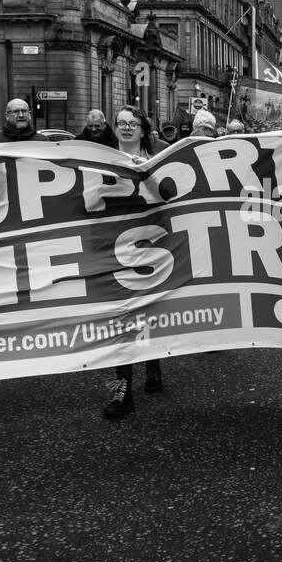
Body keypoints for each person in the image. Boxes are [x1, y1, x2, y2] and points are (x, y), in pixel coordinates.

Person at [104, 105, 164, 419]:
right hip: (113, 249)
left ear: (143, 130)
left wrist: (149, 174)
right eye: (121, 123)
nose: (126, 128)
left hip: (151, 247)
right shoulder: (100, 159)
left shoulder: (158, 158)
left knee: (149, 312)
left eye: (133, 123)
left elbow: (172, 196)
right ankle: (122, 391)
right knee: (121, 320)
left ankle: (153, 363)